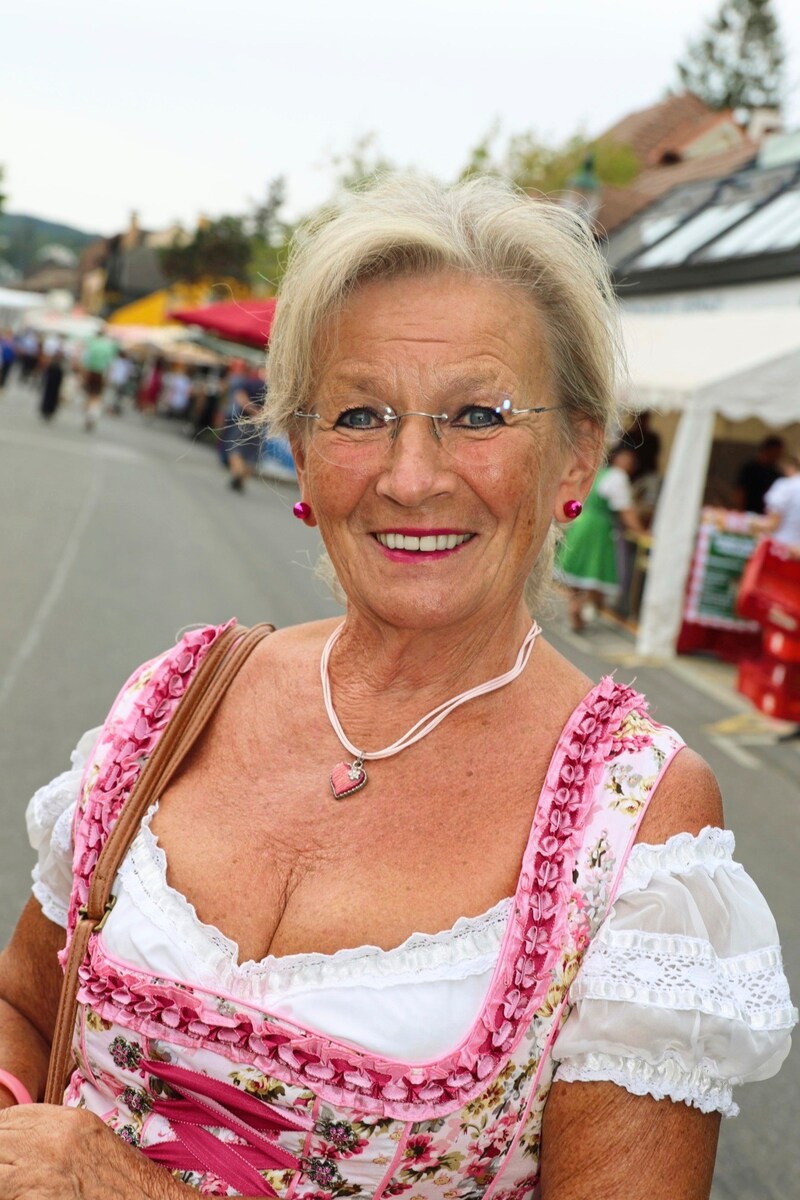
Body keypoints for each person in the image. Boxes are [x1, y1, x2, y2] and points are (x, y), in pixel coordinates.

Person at [0, 177, 794, 1200]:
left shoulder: (637, 825)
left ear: (577, 453)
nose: (410, 475)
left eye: (476, 415)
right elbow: (25, 1002)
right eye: (360, 414)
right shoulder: (178, 698)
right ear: (299, 447)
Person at [557, 443, 645, 630]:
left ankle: (579, 608)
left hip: (582, 524)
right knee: (596, 570)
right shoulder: (617, 477)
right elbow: (626, 511)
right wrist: (641, 532)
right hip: (598, 530)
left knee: (581, 570)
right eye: (627, 459)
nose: (630, 464)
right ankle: (580, 606)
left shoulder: (599, 472)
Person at [227, 366, 266, 491]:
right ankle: (242, 479)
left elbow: (240, 398)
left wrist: (251, 410)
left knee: (236, 450)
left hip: (244, 421)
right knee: (252, 456)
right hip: (260, 424)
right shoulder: (272, 389)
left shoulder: (249, 382)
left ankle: (237, 474)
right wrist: (259, 414)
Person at [734, 436, 784, 514]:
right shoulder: (750, 469)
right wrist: (740, 511)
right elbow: (740, 492)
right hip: (748, 512)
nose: (778, 456)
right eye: (776, 452)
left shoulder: (776, 473)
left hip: (766, 515)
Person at [81, 326, 118, 431]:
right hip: (101, 373)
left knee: (89, 394)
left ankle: (89, 413)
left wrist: (83, 374)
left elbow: (85, 360)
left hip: (91, 372)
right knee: (96, 395)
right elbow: (110, 364)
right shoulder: (108, 346)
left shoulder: (91, 344)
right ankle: (93, 413)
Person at [38, 351, 64, 421]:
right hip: (52, 386)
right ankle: (47, 410)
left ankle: (47, 410)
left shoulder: (56, 368)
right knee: (50, 395)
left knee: (50, 395)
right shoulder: (56, 368)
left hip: (53, 386)